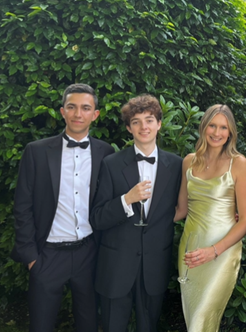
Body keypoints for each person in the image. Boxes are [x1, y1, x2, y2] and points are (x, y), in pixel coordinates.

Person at [11, 83, 114, 332]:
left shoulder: (105, 152)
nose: (78, 113)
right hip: (47, 255)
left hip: (88, 253)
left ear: (95, 114)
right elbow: (22, 206)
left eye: (85, 108)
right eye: (72, 107)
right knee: (41, 324)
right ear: (62, 111)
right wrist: (31, 257)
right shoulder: (36, 152)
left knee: (89, 322)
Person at [90, 94, 182, 332]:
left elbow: (189, 204)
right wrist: (126, 200)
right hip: (116, 267)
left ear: (159, 124)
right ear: (129, 128)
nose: (144, 127)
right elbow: (97, 217)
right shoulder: (110, 164)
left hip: (155, 266)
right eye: (137, 121)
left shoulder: (177, 165)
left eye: (149, 120)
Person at [173, 104, 246, 332]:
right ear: (203, 127)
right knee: (193, 319)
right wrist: (145, 217)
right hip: (190, 251)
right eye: (212, 126)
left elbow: (245, 219)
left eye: (223, 128)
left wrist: (214, 250)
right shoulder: (189, 161)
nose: (217, 133)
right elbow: (181, 210)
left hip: (222, 254)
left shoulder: (239, 164)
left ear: (230, 133)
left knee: (202, 320)